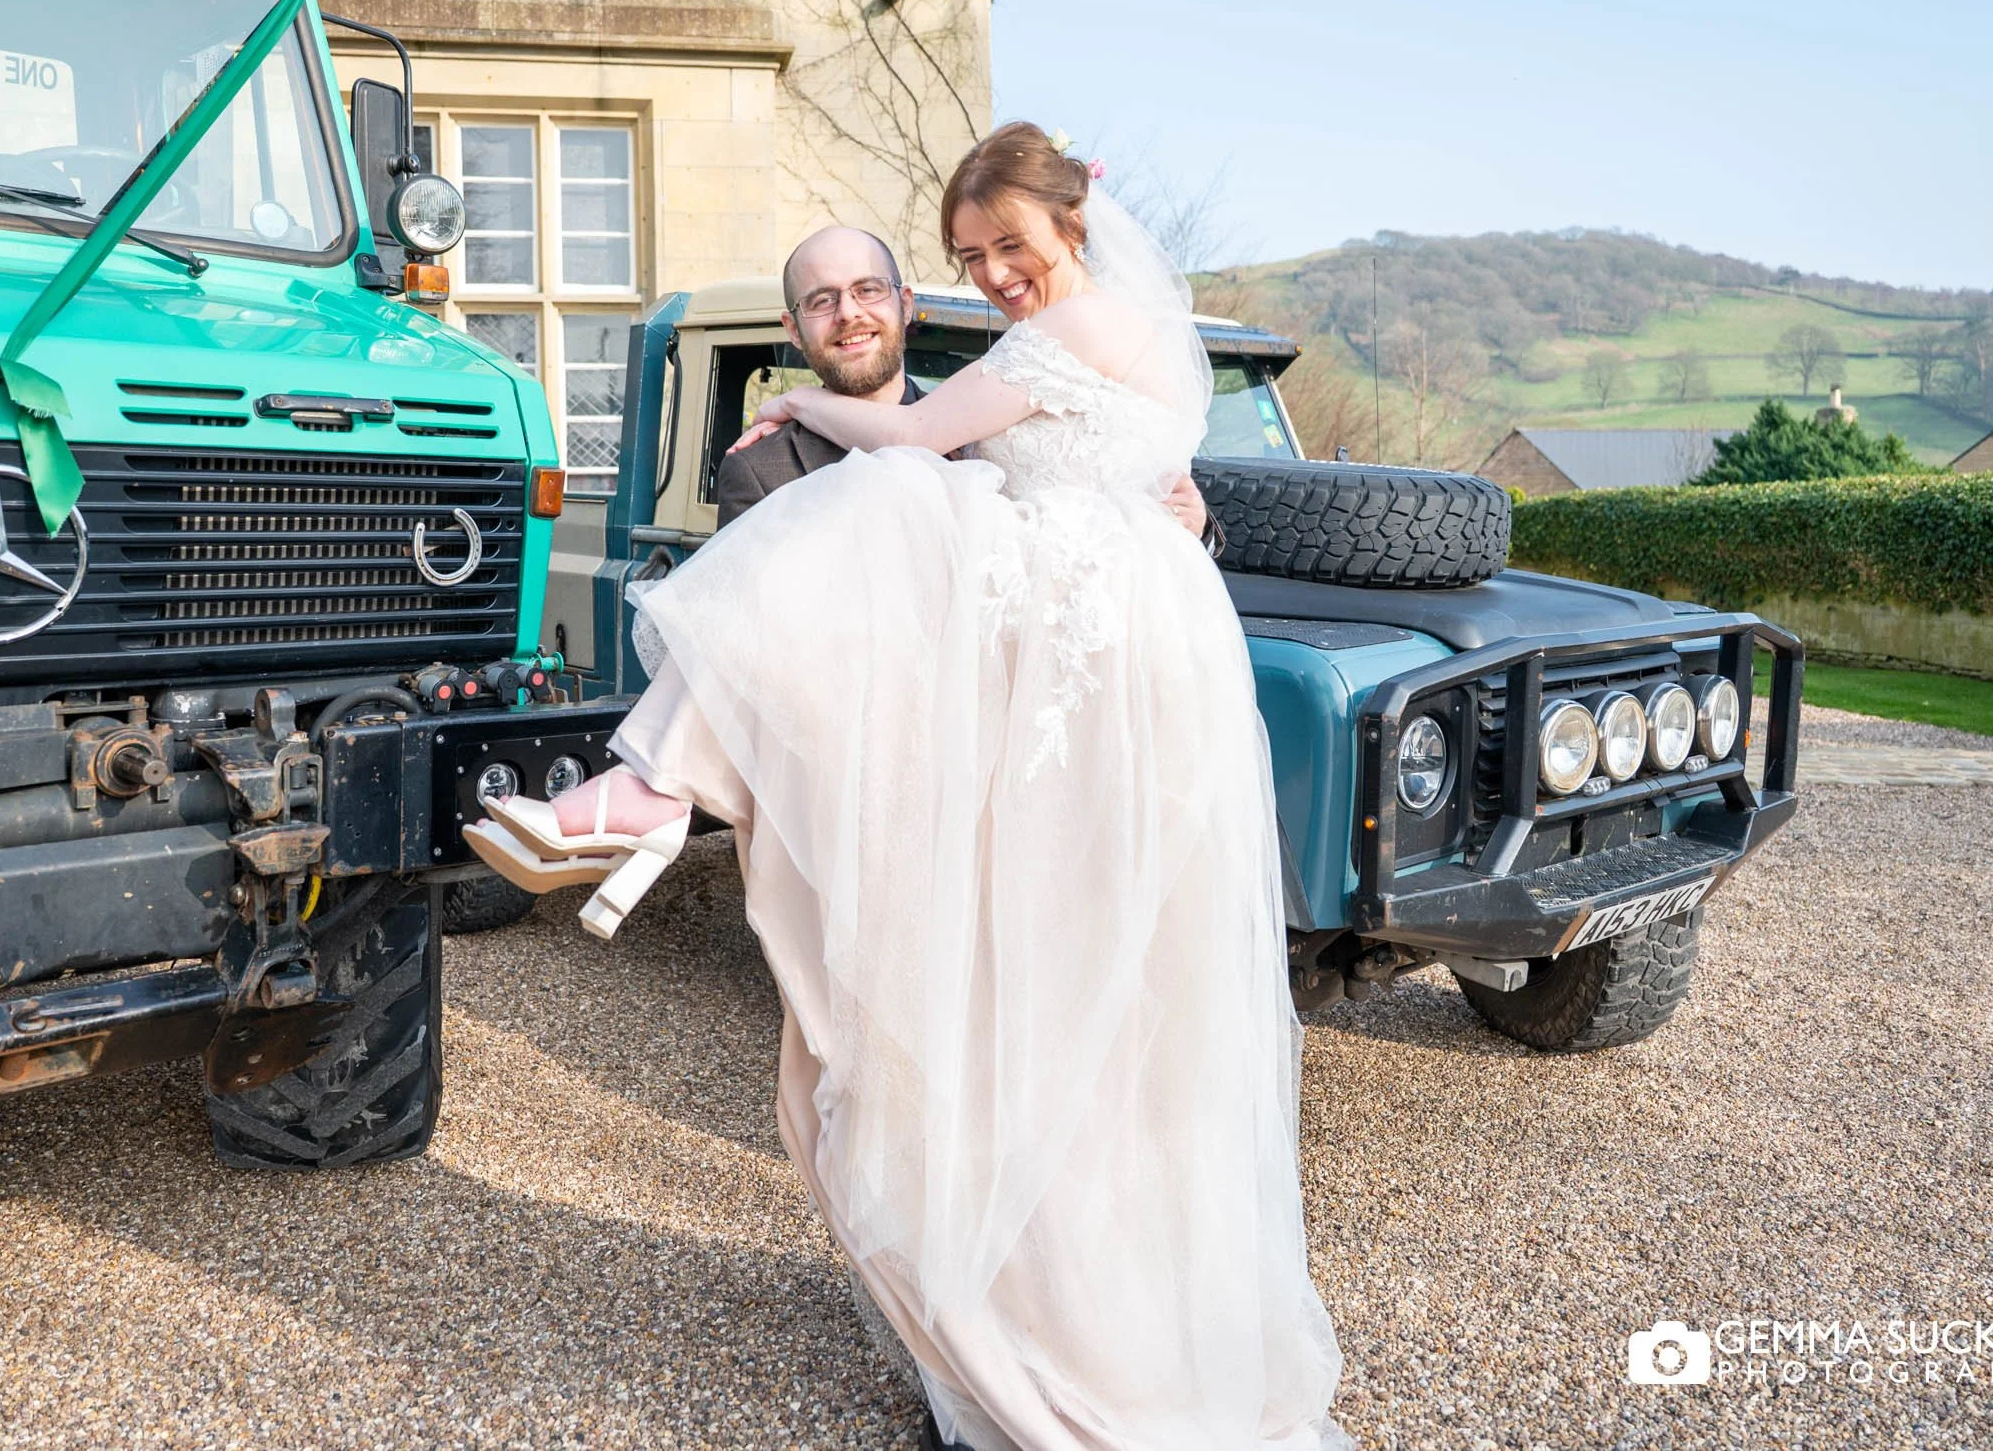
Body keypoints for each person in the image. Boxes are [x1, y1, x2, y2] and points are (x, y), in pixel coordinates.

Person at [467, 122, 1352, 1451]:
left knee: (891, 498)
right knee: (1087, 1021)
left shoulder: (1047, 345)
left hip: (1070, 702)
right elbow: (1102, 476)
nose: (993, 272)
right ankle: (659, 785)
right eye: (969, 256)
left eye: (1008, 245)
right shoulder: (1151, 355)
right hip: (1109, 687)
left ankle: (650, 786)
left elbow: (924, 441)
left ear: (1071, 220)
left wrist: (809, 404)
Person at [718, 223, 1221, 552]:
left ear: (905, 304)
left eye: (867, 289)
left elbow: (1085, 496)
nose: (850, 312)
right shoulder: (760, 471)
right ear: (792, 328)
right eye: (822, 300)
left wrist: (1183, 518)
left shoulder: (984, 429)